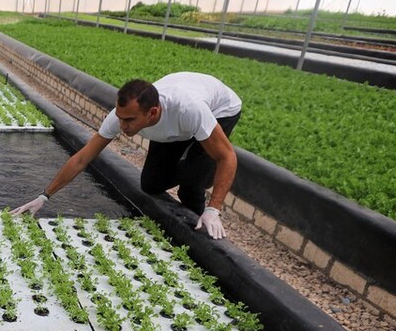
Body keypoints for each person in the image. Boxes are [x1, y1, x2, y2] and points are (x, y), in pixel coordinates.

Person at [12, 72, 241, 240]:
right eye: (120, 118)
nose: (122, 125)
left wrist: (214, 207)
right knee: (151, 184)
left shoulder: (189, 110)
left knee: (191, 185)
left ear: (152, 113)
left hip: (220, 110)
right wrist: (44, 197)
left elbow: (228, 157)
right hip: (174, 125)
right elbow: (82, 158)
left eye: (129, 120)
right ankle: (201, 170)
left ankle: (205, 230)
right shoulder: (120, 117)